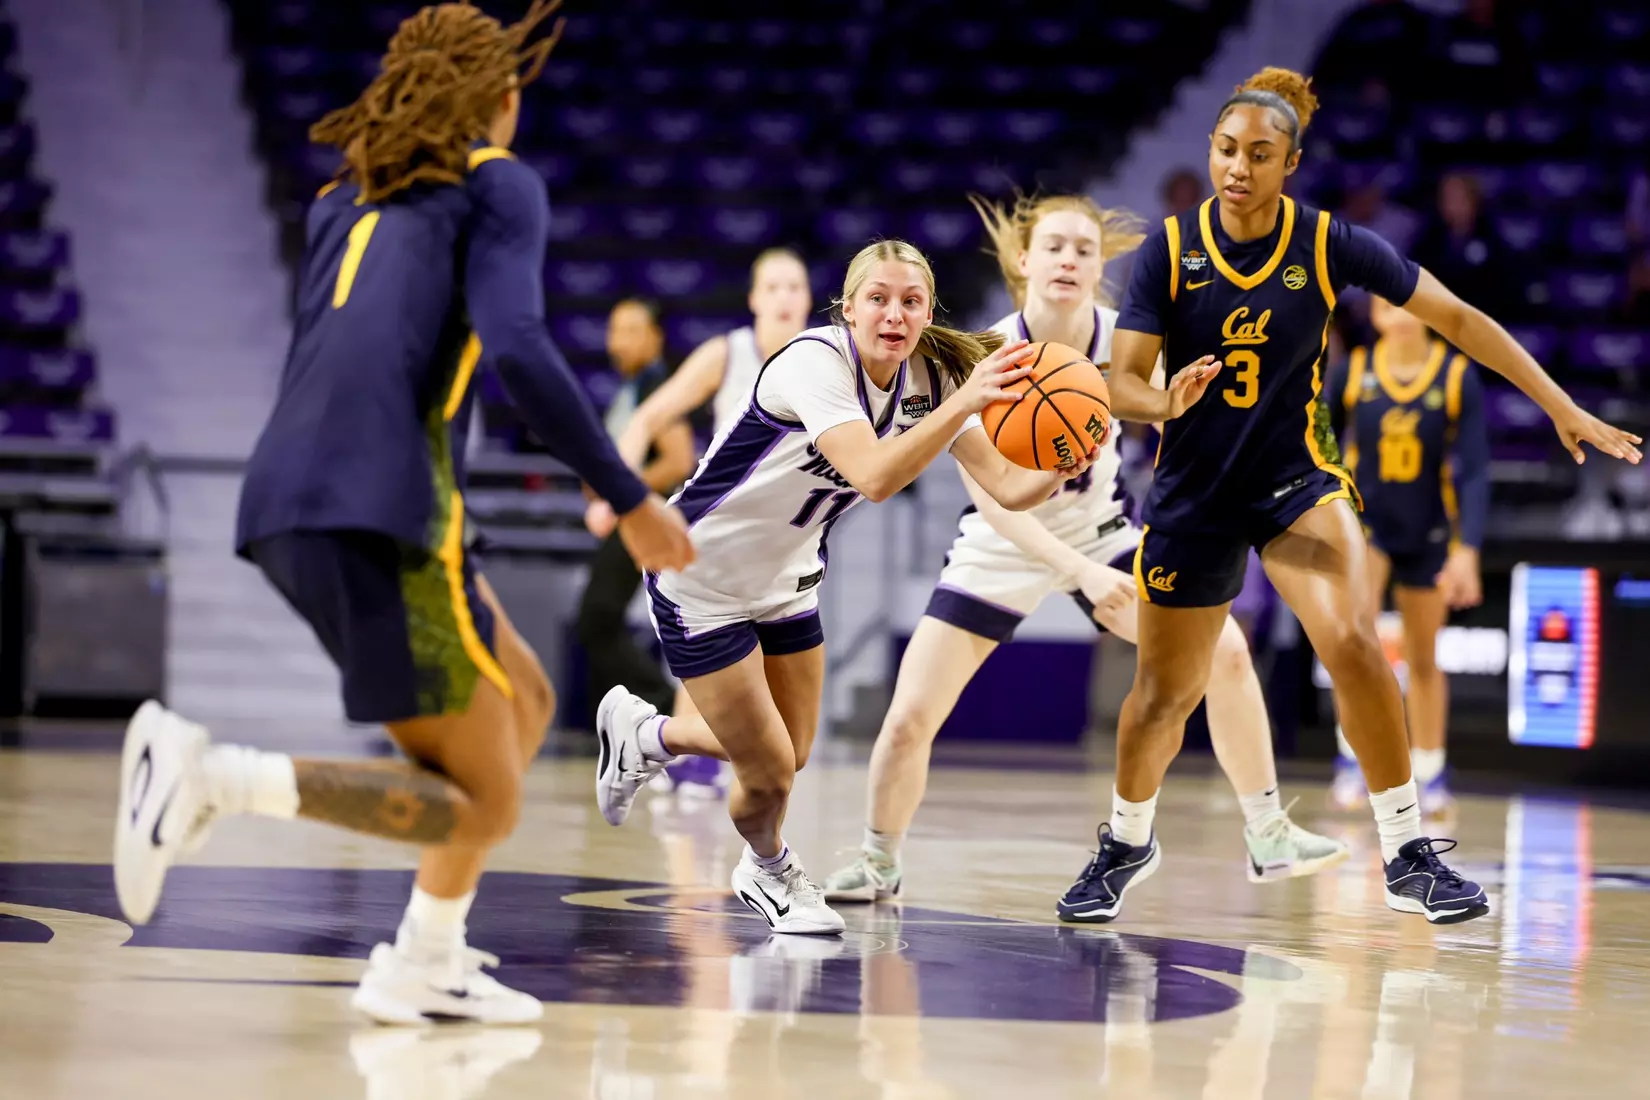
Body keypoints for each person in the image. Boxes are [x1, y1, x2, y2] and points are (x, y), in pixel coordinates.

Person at [110, 0, 694, 1025]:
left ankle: (426, 957)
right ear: (502, 97)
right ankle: (209, 778)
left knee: (524, 701)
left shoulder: (342, 195)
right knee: (490, 794)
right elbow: (519, 350)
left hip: (300, 490)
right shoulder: (497, 182)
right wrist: (631, 495)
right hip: (380, 507)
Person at [1067, 66, 1638, 927]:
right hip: (1195, 490)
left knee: (1356, 644)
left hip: (1295, 479)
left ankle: (1408, 853)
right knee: (1161, 697)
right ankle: (1126, 841)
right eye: (1227, 150)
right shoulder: (1170, 249)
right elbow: (1120, 382)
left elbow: (1458, 318)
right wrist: (1163, 402)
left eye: (1260, 154)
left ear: (1290, 163)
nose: (1238, 168)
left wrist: (1560, 405)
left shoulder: (1329, 242)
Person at [820, 192, 1348, 911]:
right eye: (1055, 247)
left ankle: (1268, 831)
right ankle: (878, 860)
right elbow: (995, 503)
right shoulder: (983, 356)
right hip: (1004, 543)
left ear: (1100, 268)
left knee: (1224, 650)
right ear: (1024, 260)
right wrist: (1081, 576)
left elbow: (1183, 423)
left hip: (1099, 529)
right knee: (910, 714)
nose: (1068, 260)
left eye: (1083, 250)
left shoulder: (1125, 342)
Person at [592, 239, 1099, 935]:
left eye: (911, 301)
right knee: (770, 772)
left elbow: (1009, 486)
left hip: (788, 580)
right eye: (878, 299)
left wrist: (1063, 462)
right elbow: (875, 477)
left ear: (928, 313)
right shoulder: (814, 362)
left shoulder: (933, 380)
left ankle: (647, 735)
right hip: (702, 577)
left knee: (791, 754)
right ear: (849, 309)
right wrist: (965, 402)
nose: (894, 314)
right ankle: (768, 870)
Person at [610, 247, 813, 798]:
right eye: (772, 287)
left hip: (787, 539)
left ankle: (670, 748)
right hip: (719, 526)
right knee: (713, 655)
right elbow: (647, 418)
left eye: (794, 287)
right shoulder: (727, 353)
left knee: (781, 716)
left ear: (809, 299)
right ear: (753, 299)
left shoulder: (826, 360)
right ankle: (681, 756)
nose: (784, 298)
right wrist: (622, 494)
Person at [1324, 296, 1488, 819]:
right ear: (1374, 314)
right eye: (1385, 305)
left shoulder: (1456, 374)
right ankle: (1353, 762)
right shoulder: (1354, 371)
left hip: (1429, 528)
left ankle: (1430, 770)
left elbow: (1476, 469)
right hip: (1366, 525)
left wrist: (1468, 549)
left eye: (1406, 304)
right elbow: (1321, 445)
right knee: (1356, 646)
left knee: (1423, 657)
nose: (1397, 313)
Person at [576, 297, 696, 725]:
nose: (617, 342)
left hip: (639, 519)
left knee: (597, 618)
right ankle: (634, 720)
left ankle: (664, 711)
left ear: (656, 338)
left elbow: (678, 460)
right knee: (598, 619)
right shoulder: (633, 387)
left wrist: (617, 496)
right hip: (627, 518)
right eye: (613, 330)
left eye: (631, 330)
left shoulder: (654, 386)